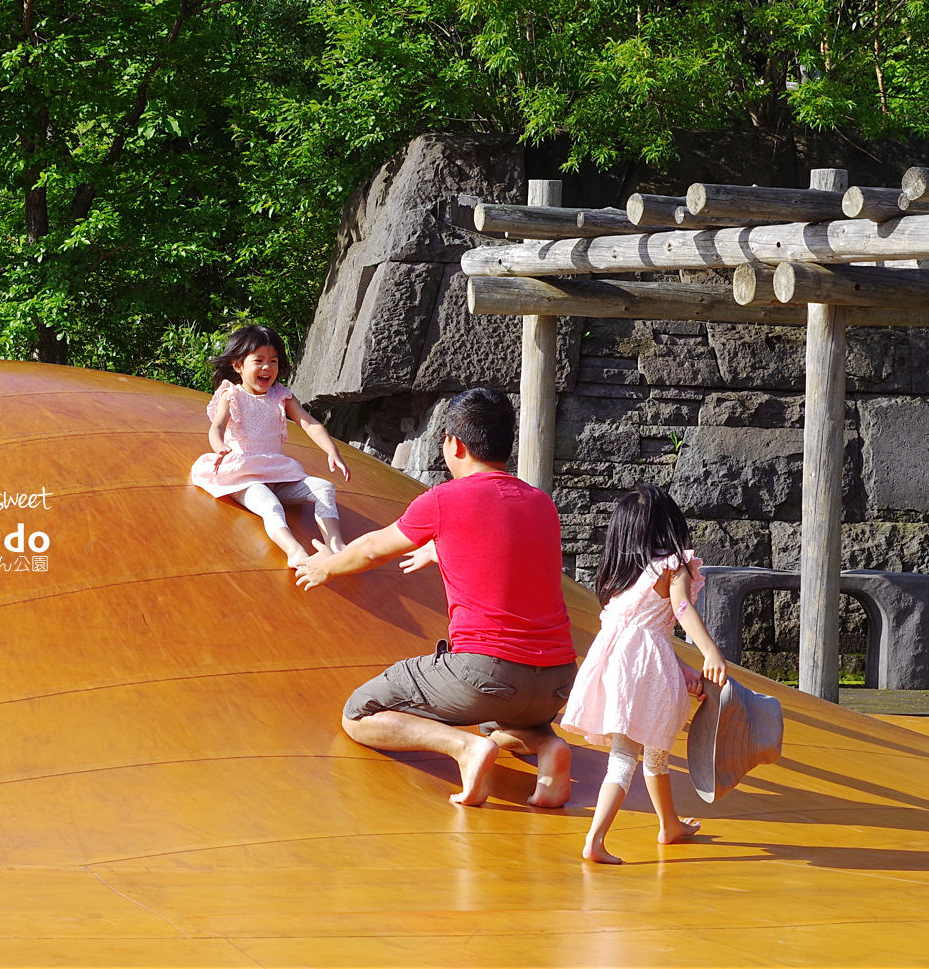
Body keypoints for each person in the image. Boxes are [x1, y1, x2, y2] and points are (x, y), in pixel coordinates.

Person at [294, 388, 576, 808]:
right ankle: (546, 744)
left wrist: (326, 565)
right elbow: (503, 549)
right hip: (556, 680)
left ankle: (463, 749)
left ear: (454, 443)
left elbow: (374, 548)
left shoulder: (445, 499)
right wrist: (440, 547)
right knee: (497, 717)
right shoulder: (541, 503)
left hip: (486, 674)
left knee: (359, 714)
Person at [559, 484, 729, 864]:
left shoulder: (624, 582)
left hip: (620, 669)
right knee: (625, 756)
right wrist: (709, 652)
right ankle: (595, 840)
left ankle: (669, 824)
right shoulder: (673, 567)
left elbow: (647, 636)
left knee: (655, 749)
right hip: (644, 670)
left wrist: (682, 669)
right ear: (669, 525)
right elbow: (682, 610)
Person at [190, 325, 348, 568]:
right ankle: (295, 550)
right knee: (270, 505)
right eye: (259, 360)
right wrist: (219, 446)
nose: (267, 367)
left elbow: (309, 423)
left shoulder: (280, 395)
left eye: (273, 361)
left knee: (324, 488)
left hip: (276, 470)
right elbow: (217, 426)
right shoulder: (231, 394)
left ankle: (336, 545)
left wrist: (331, 450)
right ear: (238, 365)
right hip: (244, 473)